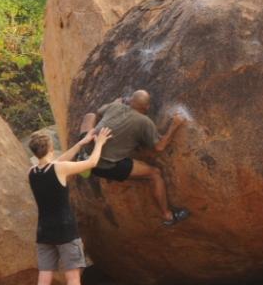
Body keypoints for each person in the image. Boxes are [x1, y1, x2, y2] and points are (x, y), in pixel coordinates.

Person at [28, 126, 112, 285]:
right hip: (65, 229)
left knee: (44, 279)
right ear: (50, 147)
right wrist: (99, 143)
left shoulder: (32, 172)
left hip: (44, 231)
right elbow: (91, 162)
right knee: (73, 276)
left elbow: (57, 162)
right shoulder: (60, 168)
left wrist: (81, 143)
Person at [79, 90, 189, 226]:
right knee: (155, 174)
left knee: (89, 116)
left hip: (89, 155)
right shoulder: (144, 122)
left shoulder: (115, 106)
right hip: (105, 166)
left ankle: (82, 152)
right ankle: (167, 215)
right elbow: (159, 147)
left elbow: (100, 111)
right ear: (147, 107)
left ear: (130, 101)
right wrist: (175, 125)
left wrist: (114, 104)